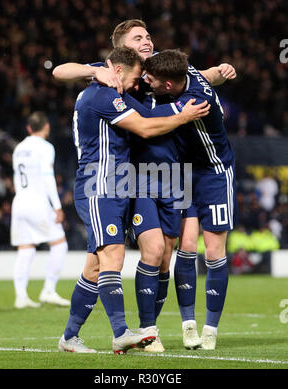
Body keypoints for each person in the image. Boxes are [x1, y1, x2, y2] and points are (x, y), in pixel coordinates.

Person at [53, 19, 236, 353]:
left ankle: (142, 331)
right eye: (139, 37)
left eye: (149, 35)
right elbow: (60, 71)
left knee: (165, 253)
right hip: (130, 177)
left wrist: (217, 72)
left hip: (170, 172)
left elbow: (194, 79)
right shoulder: (109, 77)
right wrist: (93, 71)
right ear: (119, 51)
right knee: (133, 253)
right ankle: (139, 330)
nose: (148, 41)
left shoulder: (161, 67)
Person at [143, 49, 238, 350]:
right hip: (183, 172)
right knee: (185, 247)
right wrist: (221, 71)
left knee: (212, 252)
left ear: (169, 85)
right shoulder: (186, 72)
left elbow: (149, 118)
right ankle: (188, 326)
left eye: (152, 80)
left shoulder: (195, 102)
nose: (147, 82)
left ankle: (211, 328)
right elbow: (207, 74)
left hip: (214, 173)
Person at [11, 112, 70, 309]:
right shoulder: (45, 147)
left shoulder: (19, 148)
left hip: (19, 201)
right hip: (37, 201)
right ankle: (49, 290)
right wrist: (57, 206)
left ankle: (21, 297)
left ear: (29, 128)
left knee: (25, 248)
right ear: (46, 126)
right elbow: (47, 177)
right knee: (59, 244)